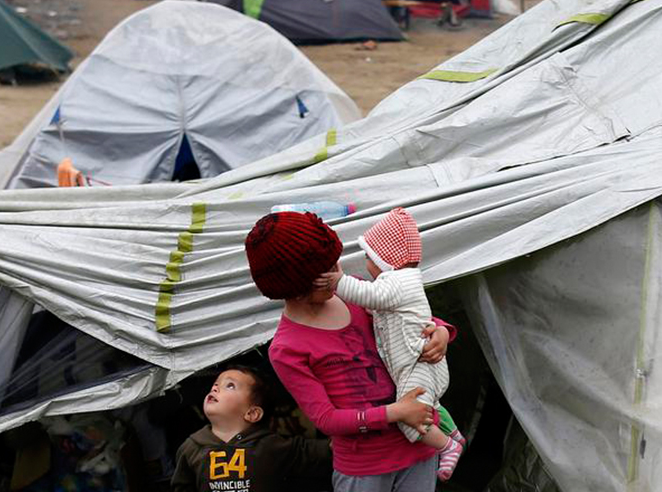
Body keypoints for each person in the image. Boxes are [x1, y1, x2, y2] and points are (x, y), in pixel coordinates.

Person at [245, 211, 454, 492]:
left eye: (336, 262)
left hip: (420, 447)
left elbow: (407, 315)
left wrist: (440, 331)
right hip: (365, 468)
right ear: (296, 287)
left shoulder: (357, 294)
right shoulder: (287, 348)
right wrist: (395, 412)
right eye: (327, 272)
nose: (338, 273)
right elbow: (327, 419)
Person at [316, 207, 464, 481]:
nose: (365, 263)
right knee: (430, 405)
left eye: (368, 256)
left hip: (416, 362)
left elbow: (370, 296)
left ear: (384, 259)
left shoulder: (396, 281)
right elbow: (387, 311)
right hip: (417, 361)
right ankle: (453, 433)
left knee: (410, 420)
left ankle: (447, 445)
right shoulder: (401, 282)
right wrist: (441, 330)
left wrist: (339, 281)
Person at [171, 366, 332, 492]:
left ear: (252, 413)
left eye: (230, 385)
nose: (215, 388)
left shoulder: (271, 445)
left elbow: (323, 452)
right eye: (215, 384)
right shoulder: (190, 448)